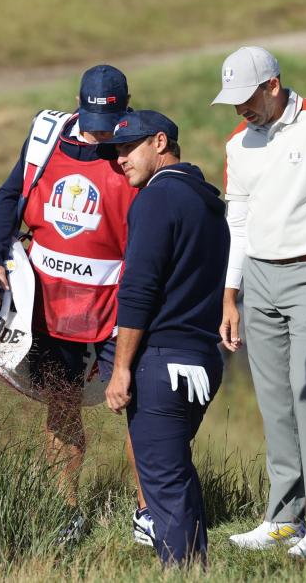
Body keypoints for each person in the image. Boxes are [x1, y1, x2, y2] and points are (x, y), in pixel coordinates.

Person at [0, 65, 149, 543]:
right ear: (79, 105)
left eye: (108, 123)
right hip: (50, 305)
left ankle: (148, 513)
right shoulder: (47, 136)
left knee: (139, 407)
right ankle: (66, 511)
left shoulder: (138, 145)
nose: (99, 133)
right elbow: (10, 195)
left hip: (119, 304)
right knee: (61, 404)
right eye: (92, 120)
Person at [212, 46, 306, 558]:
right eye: (233, 102)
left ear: (272, 85)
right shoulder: (238, 143)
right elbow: (237, 224)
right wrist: (230, 294)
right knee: (275, 401)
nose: (240, 110)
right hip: (258, 279)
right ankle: (283, 518)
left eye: (247, 98)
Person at [104, 110, 230, 565]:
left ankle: (182, 570)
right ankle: (197, 568)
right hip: (203, 361)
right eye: (115, 151)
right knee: (178, 475)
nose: (120, 159)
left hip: (162, 363)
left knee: (164, 484)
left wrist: (120, 369)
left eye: (128, 147)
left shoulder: (155, 200)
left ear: (161, 142)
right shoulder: (208, 201)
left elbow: (138, 290)